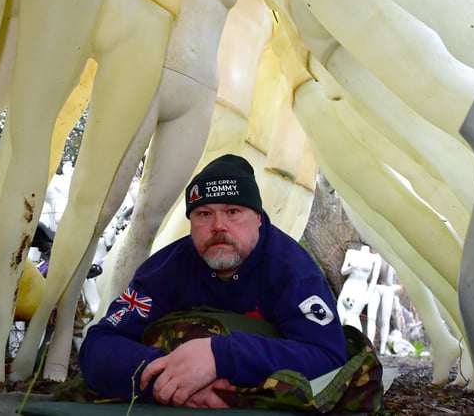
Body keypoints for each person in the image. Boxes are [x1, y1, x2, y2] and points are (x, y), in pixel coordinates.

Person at [79, 154, 348, 408]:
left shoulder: (293, 272)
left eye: (232, 212)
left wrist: (221, 356)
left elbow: (329, 358)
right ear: (192, 222)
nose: (218, 226)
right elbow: (98, 345)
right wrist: (173, 378)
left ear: (257, 218)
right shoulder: (164, 271)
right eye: (204, 214)